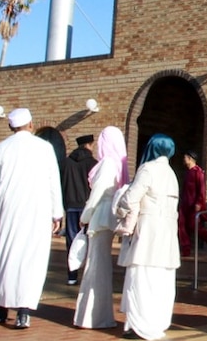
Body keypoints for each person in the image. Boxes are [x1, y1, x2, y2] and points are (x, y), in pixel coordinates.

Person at [0, 108, 64, 329]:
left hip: (8, 210)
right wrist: (56, 212)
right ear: (31, 124)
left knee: (6, 257)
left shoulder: (1, 148)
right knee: (31, 261)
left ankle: (2, 309)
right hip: (38, 211)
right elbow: (53, 181)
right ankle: (24, 311)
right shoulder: (45, 148)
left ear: (11, 127)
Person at [116, 133, 181, 340]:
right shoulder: (172, 173)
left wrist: (121, 210)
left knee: (141, 278)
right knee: (162, 281)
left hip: (148, 231)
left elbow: (131, 198)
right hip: (168, 234)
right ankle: (156, 322)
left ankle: (139, 325)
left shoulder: (148, 169)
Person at [73, 125, 129, 329]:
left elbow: (96, 194)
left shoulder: (107, 164)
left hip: (100, 216)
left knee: (95, 266)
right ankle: (97, 314)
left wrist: (85, 216)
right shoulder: (117, 164)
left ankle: (92, 316)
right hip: (108, 217)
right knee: (100, 265)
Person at [60, 133, 97, 285]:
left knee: (71, 241)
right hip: (87, 206)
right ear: (89, 145)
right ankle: (88, 274)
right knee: (90, 240)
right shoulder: (93, 163)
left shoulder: (66, 162)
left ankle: (72, 275)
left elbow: (62, 184)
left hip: (70, 206)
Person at [178, 151, 207, 256]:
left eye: (185, 157)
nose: (184, 160)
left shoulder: (198, 172)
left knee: (194, 226)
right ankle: (186, 249)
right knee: (181, 226)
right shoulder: (187, 172)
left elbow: (201, 189)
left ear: (190, 159)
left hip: (194, 205)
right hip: (185, 204)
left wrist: (199, 202)